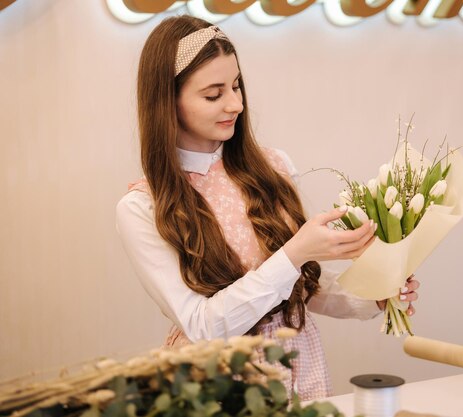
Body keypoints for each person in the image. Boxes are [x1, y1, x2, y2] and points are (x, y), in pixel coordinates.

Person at [115, 15, 419, 401]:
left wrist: (374, 295)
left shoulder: (272, 168)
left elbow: (304, 288)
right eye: (213, 94)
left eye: (237, 86)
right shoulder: (144, 208)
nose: (236, 104)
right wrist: (294, 253)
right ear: (166, 101)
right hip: (217, 386)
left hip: (299, 367)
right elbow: (201, 325)